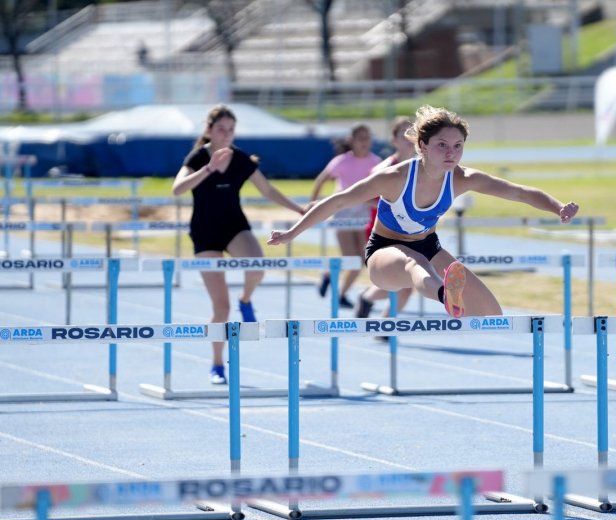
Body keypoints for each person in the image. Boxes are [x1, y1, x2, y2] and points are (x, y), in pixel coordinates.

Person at [269, 104, 579, 318]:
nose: (451, 153)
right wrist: (292, 233)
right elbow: (338, 201)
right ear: (422, 145)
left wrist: (557, 207)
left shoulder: (463, 179)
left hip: (430, 247)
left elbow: (519, 192)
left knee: (491, 313)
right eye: (442, 145)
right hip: (384, 252)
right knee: (412, 263)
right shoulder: (395, 178)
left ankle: (453, 298)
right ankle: (447, 297)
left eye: (458, 146)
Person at [173, 104, 306, 385]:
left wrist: (299, 210)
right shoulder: (198, 157)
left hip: (235, 227)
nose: (226, 134)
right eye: (221, 129)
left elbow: (267, 190)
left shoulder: (241, 158)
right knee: (220, 308)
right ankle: (217, 363)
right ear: (209, 130)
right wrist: (209, 169)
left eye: (231, 130)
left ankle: (245, 299)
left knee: (257, 268)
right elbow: (178, 189)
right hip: (205, 233)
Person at [309, 123, 382, 309]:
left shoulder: (376, 161)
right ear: (352, 141)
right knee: (352, 260)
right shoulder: (342, 161)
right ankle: (333, 283)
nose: (365, 142)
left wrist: (377, 203)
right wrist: (313, 202)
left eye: (368, 138)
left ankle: (336, 288)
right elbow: (321, 179)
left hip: (363, 213)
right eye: (361, 138)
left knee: (361, 260)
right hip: (343, 211)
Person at [355, 116, 417, 322]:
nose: (409, 138)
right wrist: (396, 206)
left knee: (408, 285)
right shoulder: (382, 170)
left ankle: (385, 322)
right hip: (383, 233)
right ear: (394, 140)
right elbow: (364, 199)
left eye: (412, 133)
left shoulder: (424, 168)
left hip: (412, 234)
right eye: (403, 134)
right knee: (403, 282)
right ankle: (368, 298)